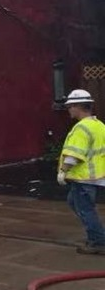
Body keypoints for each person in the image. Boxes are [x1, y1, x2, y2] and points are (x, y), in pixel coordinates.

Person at [56, 89, 105, 255]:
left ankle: (98, 241)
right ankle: (97, 234)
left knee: (85, 209)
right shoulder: (99, 125)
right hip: (95, 177)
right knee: (74, 202)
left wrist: (63, 172)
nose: (69, 109)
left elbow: (74, 155)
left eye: (70, 106)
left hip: (83, 178)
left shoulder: (81, 128)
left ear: (78, 106)